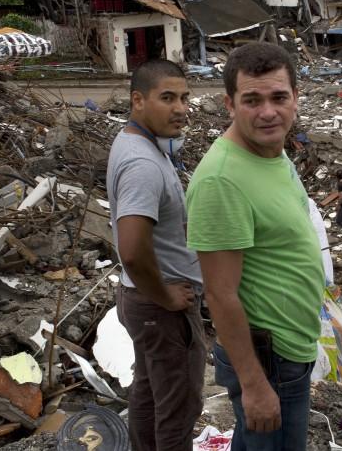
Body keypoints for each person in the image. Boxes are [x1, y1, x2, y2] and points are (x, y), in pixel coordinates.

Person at [186, 42, 325, 451]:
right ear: (229, 105)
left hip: (289, 353)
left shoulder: (271, 153)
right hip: (268, 363)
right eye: (252, 100)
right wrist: (255, 386)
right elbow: (220, 293)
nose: (268, 112)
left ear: (296, 99)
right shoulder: (221, 180)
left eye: (279, 97)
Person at [106, 59, 205, 451]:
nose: (180, 108)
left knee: (148, 396)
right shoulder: (143, 163)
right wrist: (165, 295)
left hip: (142, 301)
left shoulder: (137, 141)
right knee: (178, 410)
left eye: (184, 97)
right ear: (138, 100)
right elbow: (131, 249)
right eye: (167, 98)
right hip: (160, 309)